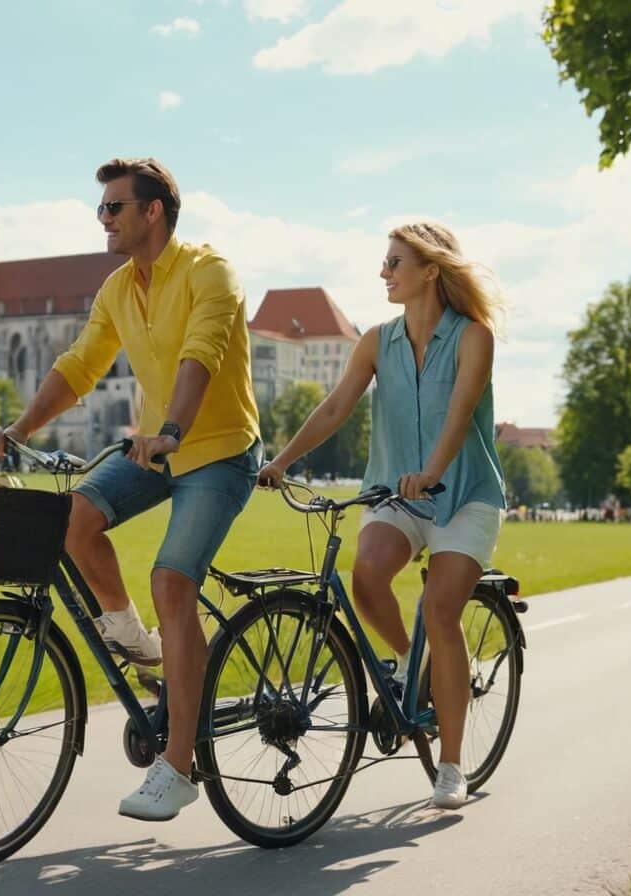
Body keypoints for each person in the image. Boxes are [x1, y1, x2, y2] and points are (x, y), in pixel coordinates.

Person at [0, 157, 261, 821]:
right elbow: (79, 367)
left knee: (173, 581)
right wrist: (18, 428)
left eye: (112, 208)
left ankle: (180, 766)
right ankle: (141, 644)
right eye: (102, 208)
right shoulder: (118, 287)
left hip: (217, 452)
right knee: (75, 517)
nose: (101, 218)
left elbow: (203, 353)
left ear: (151, 211)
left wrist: (170, 429)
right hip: (155, 447)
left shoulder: (208, 272)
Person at [257, 221, 505, 811]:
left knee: (439, 611)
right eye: (385, 262)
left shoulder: (473, 336)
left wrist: (432, 470)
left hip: (463, 495)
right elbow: (337, 405)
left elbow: (460, 412)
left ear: (429, 272)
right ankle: (402, 662)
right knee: (366, 575)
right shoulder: (377, 340)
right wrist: (282, 462)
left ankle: (450, 766)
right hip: (395, 497)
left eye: (394, 263)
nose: (383, 272)